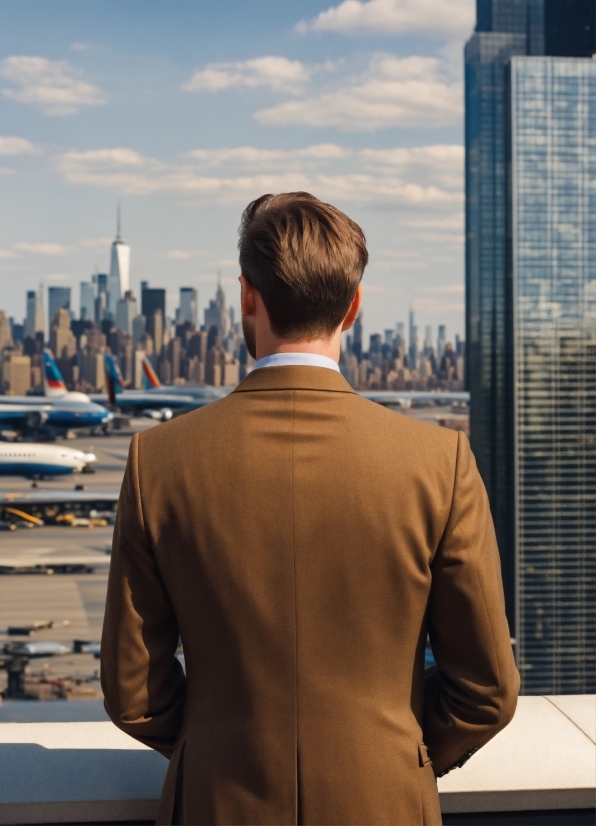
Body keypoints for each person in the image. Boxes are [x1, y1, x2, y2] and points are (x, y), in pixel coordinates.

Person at [101, 192, 519, 826]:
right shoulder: (442, 462)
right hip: (387, 804)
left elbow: (132, 692)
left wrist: (216, 745)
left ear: (247, 296)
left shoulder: (157, 460)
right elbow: (487, 691)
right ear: (354, 306)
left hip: (215, 803)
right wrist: (389, 754)